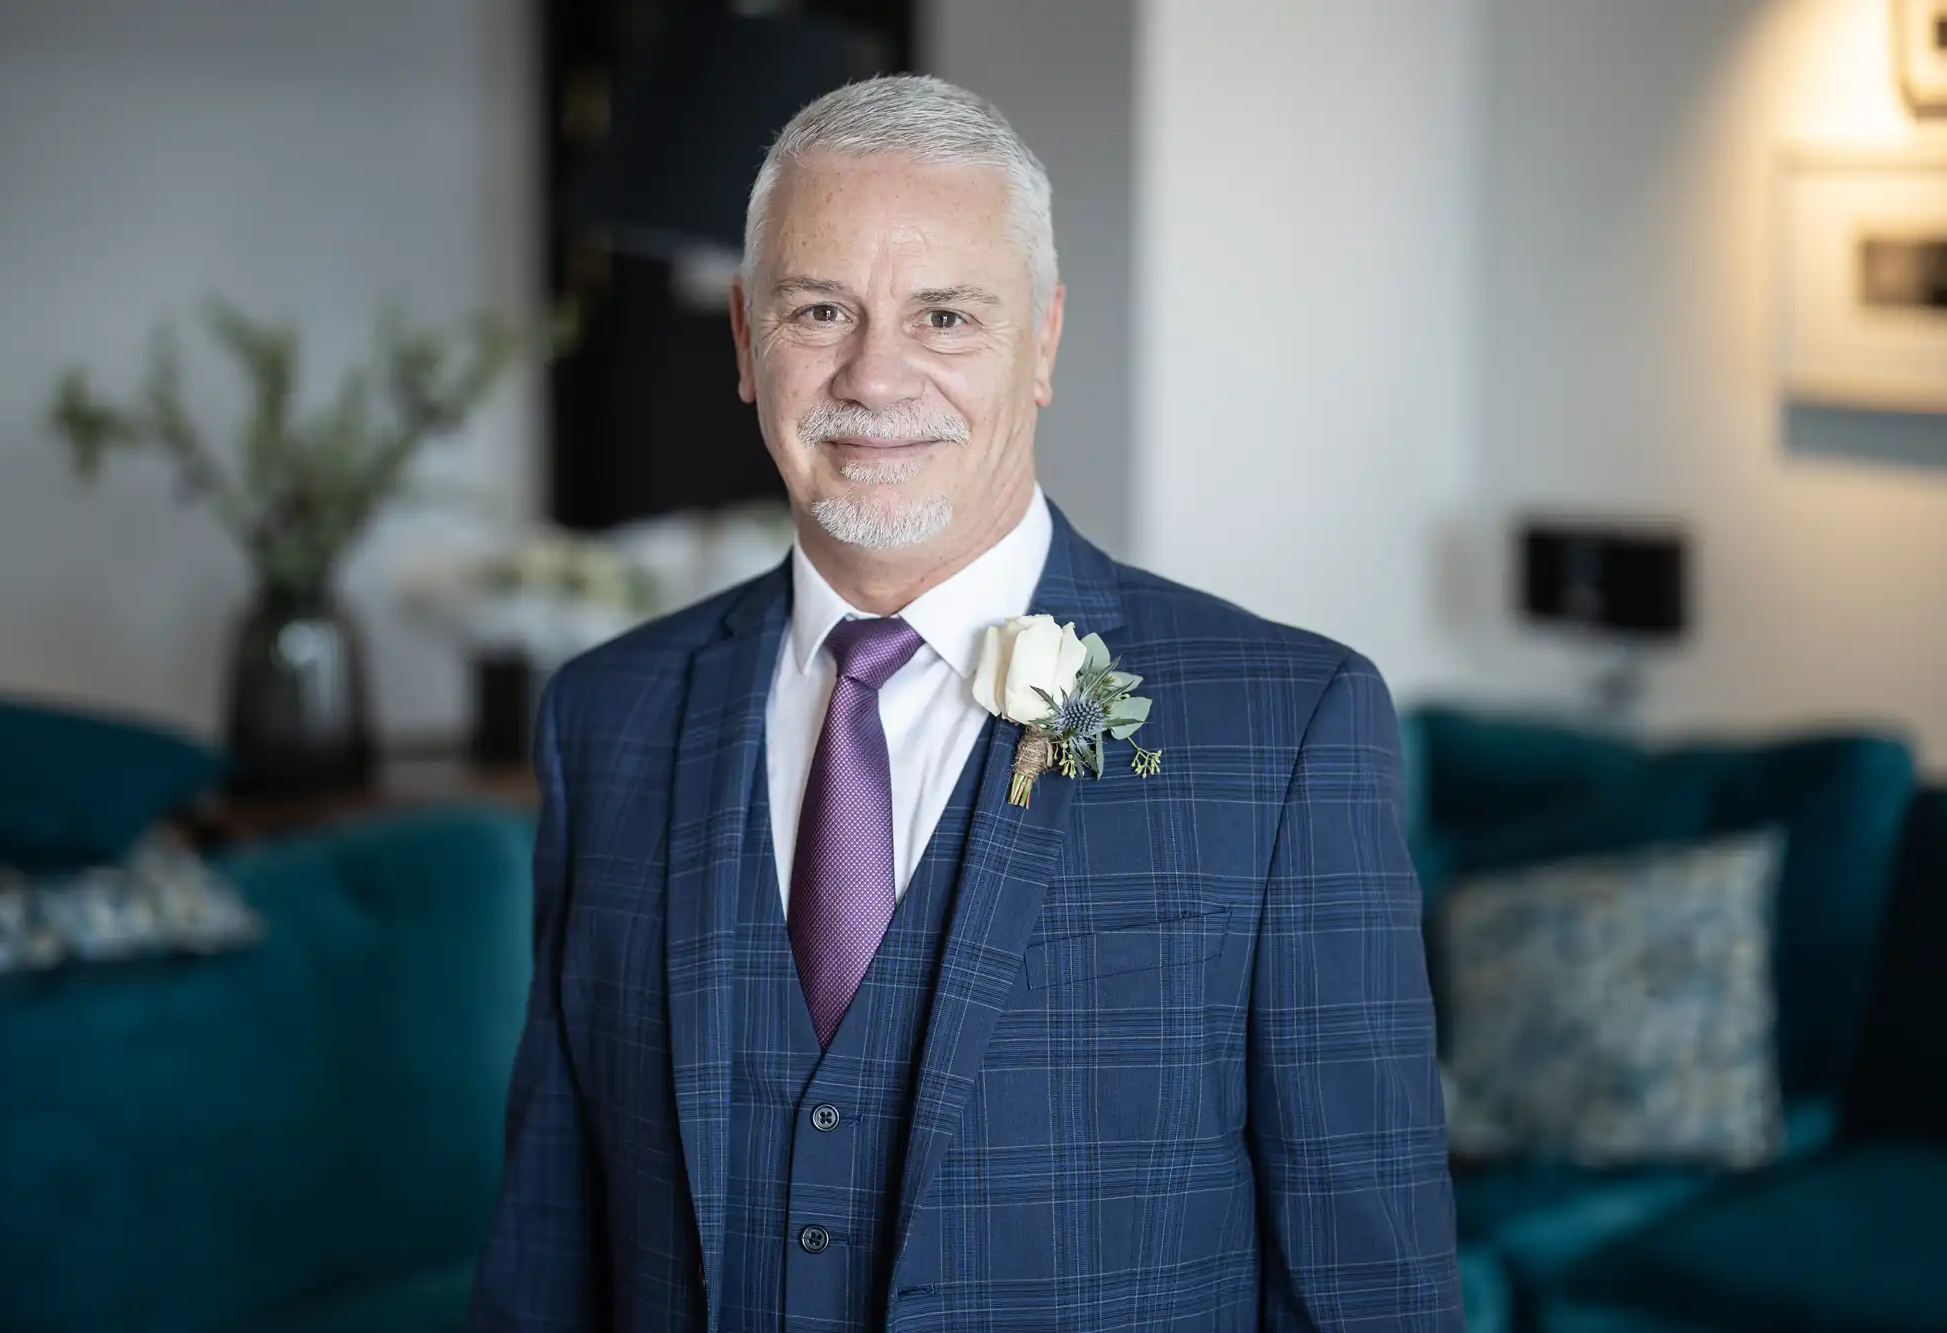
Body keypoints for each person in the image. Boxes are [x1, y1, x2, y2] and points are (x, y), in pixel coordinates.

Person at [470, 74, 1460, 1333]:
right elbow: (548, 1252)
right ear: (742, 341)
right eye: (820, 309)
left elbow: (1368, 1292)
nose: (875, 379)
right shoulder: (603, 719)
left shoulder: (1287, 728)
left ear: (1041, 343)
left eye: (944, 316)